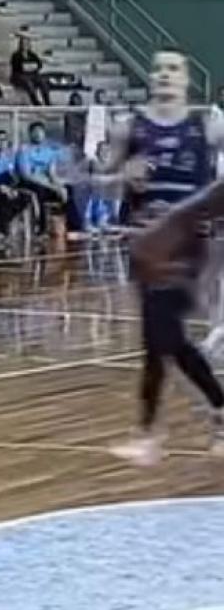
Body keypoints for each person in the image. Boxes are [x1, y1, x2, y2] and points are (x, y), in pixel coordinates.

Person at [101, 51, 224, 465]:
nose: (165, 75)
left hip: (189, 247)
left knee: (161, 336)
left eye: (174, 68)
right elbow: (95, 183)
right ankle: (181, 422)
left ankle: (152, 431)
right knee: (160, 342)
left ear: (187, 79)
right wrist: (121, 176)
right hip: (147, 245)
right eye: (158, 68)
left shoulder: (208, 125)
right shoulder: (128, 127)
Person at [15, 120, 69, 234]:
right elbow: (26, 175)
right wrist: (51, 186)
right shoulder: (24, 150)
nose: (38, 134)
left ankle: (71, 226)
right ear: (30, 134)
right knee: (40, 191)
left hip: (46, 182)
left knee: (69, 190)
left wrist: (59, 186)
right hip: (29, 183)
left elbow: (51, 173)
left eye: (40, 132)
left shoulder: (49, 151)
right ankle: (41, 228)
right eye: (35, 132)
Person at [10, 29, 49, 107]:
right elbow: (18, 67)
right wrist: (30, 66)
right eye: (23, 44)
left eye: (26, 44)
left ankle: (47, 102)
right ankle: (35, 102)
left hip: (32, 75)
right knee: (28, 83)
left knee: (43, 82)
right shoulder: (16, 55)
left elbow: (39, 64)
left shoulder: (32, 54)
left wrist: (29, 67)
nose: (25, 45)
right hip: (19, 76)